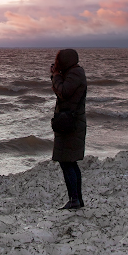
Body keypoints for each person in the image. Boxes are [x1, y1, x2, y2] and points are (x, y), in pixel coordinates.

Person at [49, 48, 86, 209]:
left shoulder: (75, 74)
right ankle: (76, 199)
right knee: (69, 162)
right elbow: (62, 91)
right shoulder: (74, 73)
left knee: (67, 162)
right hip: (70, 123)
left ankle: (74, 199)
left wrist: (56, 76)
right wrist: (56, 76)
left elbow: (63, 92)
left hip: (71, 124)